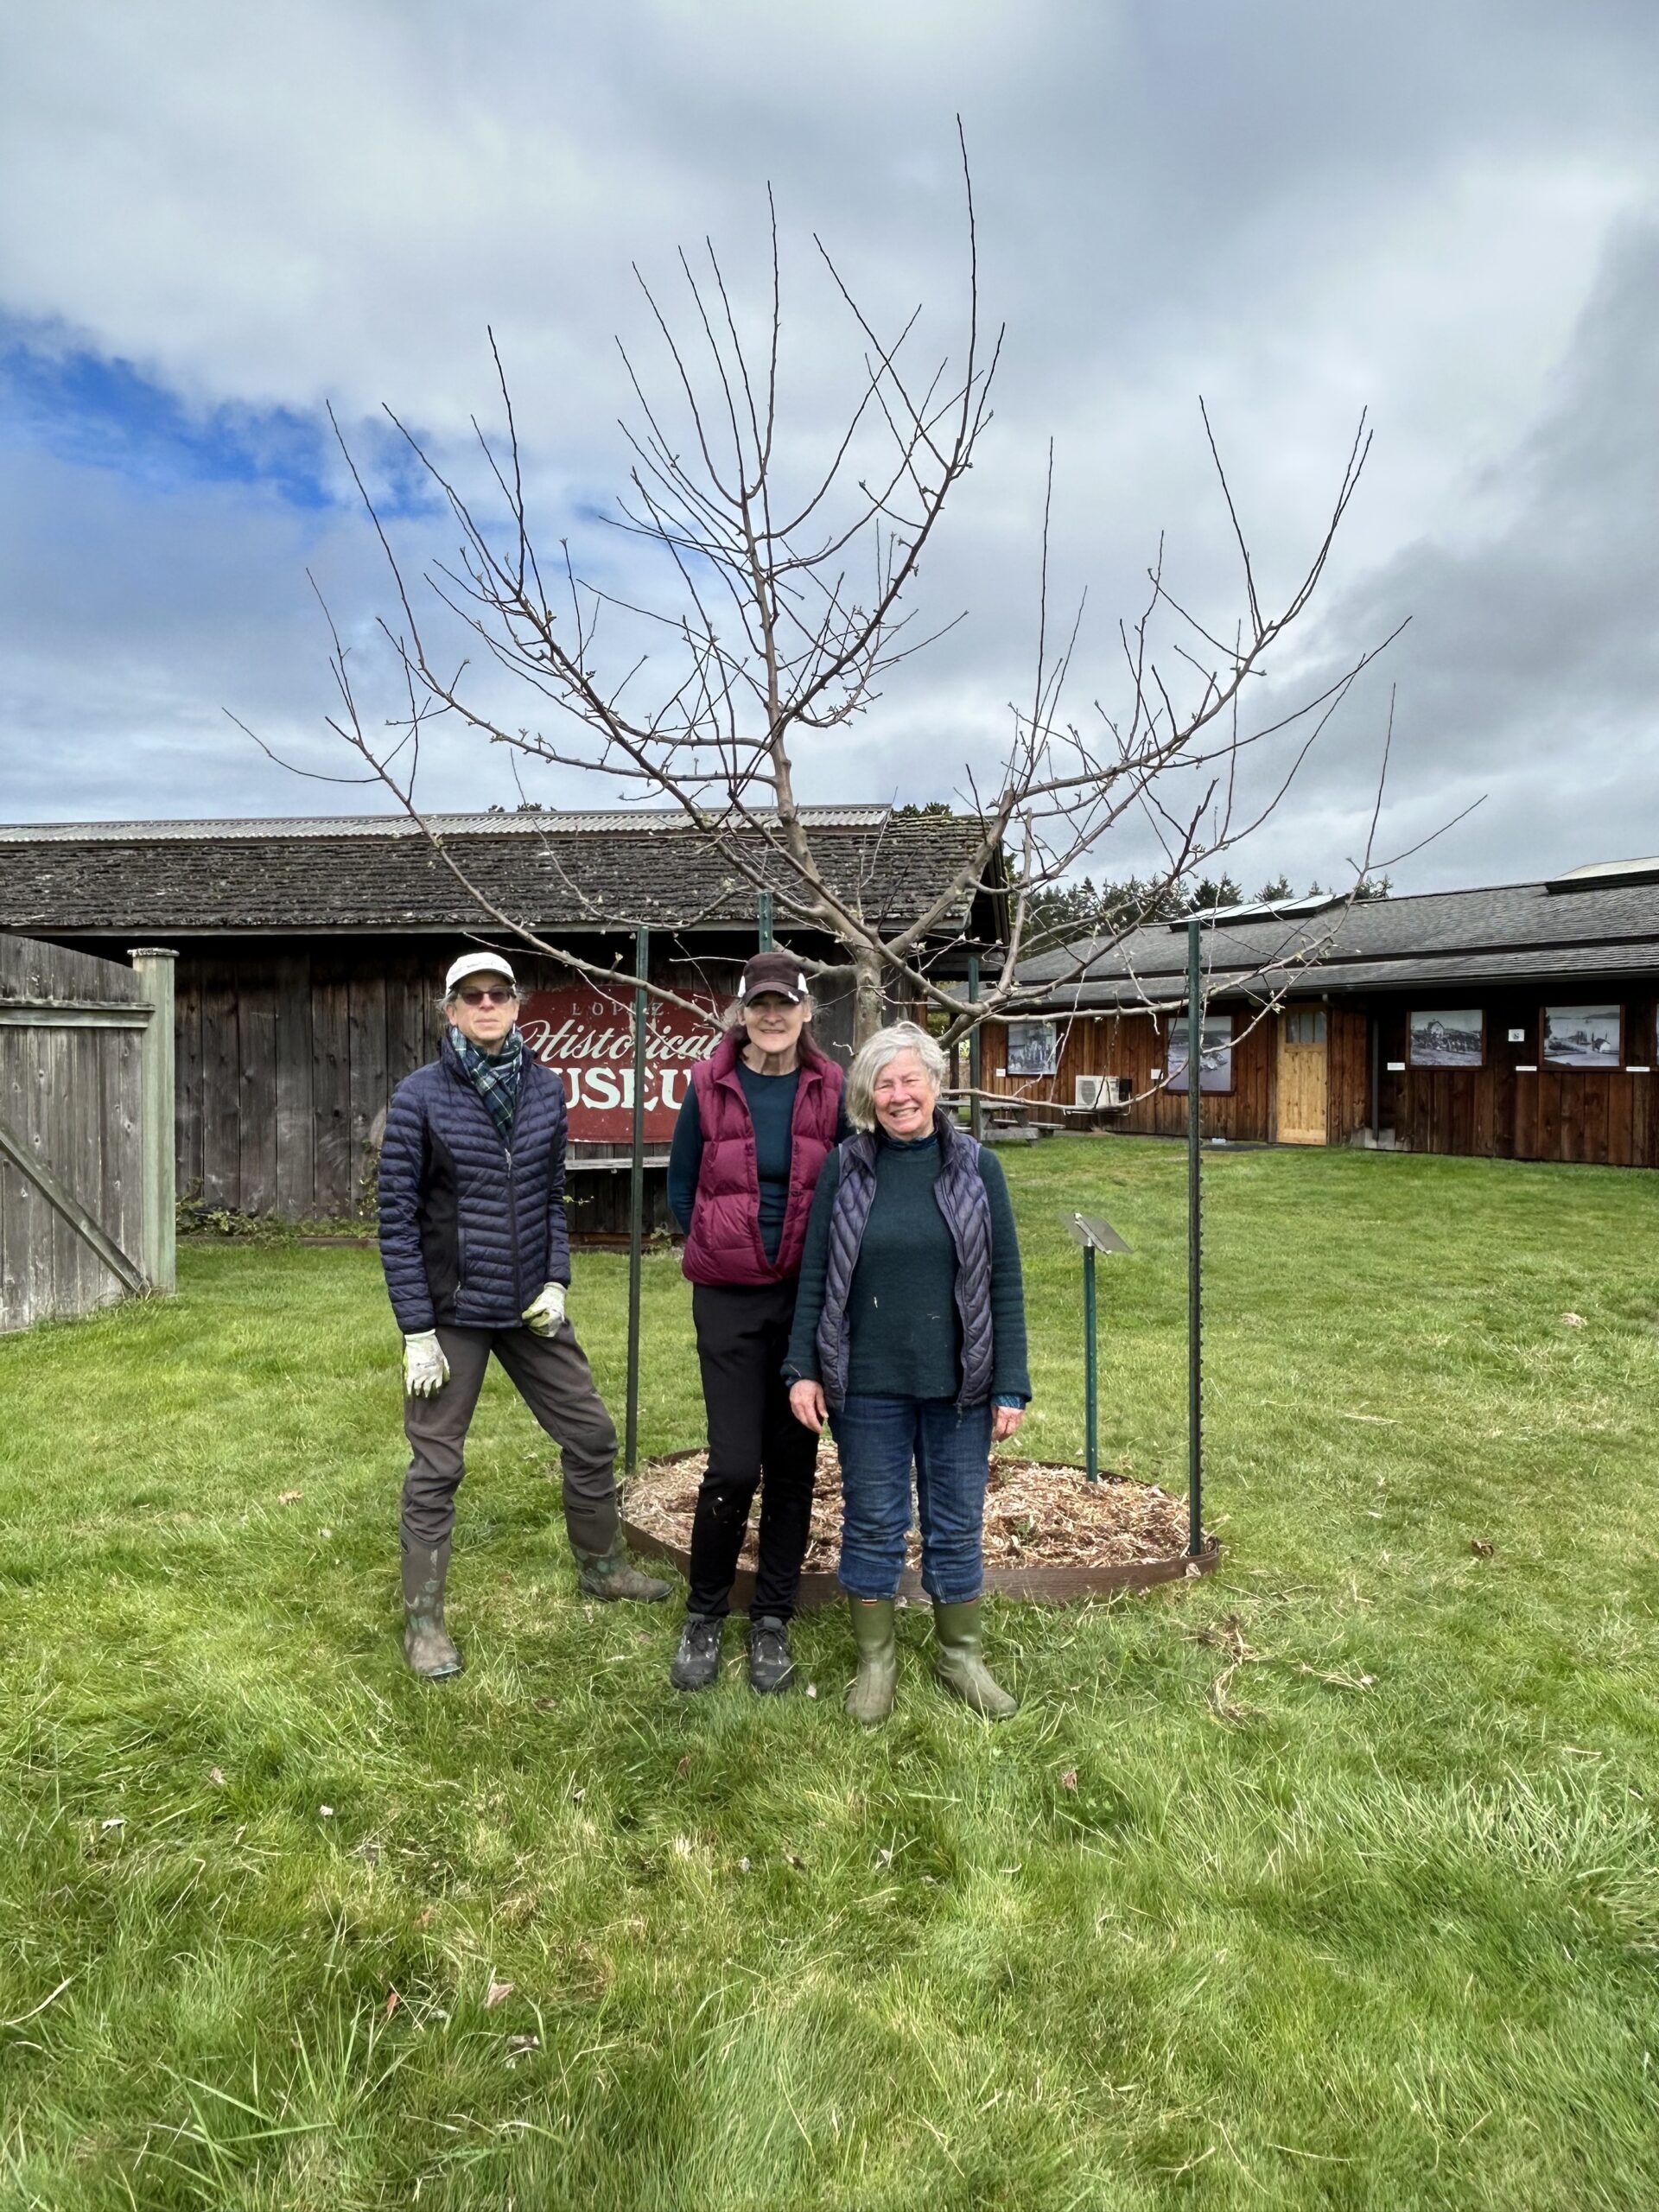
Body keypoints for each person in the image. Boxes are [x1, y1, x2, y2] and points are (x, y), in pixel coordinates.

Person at [378, 950, 669, 1680]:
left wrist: (557, 1279)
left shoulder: (543, 1090)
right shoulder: (418, 1097)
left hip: (528, 1305)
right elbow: (397, 1223)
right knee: (437, 1463)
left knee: (592, 1434)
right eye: (469, 997)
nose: (485, 1006)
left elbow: (547, 1196)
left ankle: (601, 1567)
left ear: (516, 1005)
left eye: (497, 995)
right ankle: (424, 1623)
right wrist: (417, 1331)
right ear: (450, 1011)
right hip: (453, 1311)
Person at [785, 1020, 1031, 1725]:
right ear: (868, 1095)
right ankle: (876, 1661)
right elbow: (817, 1279)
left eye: (909, 1081)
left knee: (955, 1523)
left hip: (959, 1382)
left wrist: (1010, 1379)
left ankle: (961, 1655)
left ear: (934, 1084)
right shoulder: (847, 1166)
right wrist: (803, 1368)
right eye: (884, 1084)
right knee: (873, 1521)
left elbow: (1004, 1281)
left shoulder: (977, 1167)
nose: (899, 1096)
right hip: (867, 1382)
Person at [665, 951, 849, 1694]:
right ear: (742, 1012)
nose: (772, 1018)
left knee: (794, 1461)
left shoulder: (830, 1089)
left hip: (805, 1297)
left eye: (786, 1005)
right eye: (759, 1005)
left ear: (807, 1012)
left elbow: (849, 1175)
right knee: (735, 1463)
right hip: (729, 1298)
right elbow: (682, 1183)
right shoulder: (708, 1087)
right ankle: (706, 1610)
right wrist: (716, 1240)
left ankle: (771, 1617)